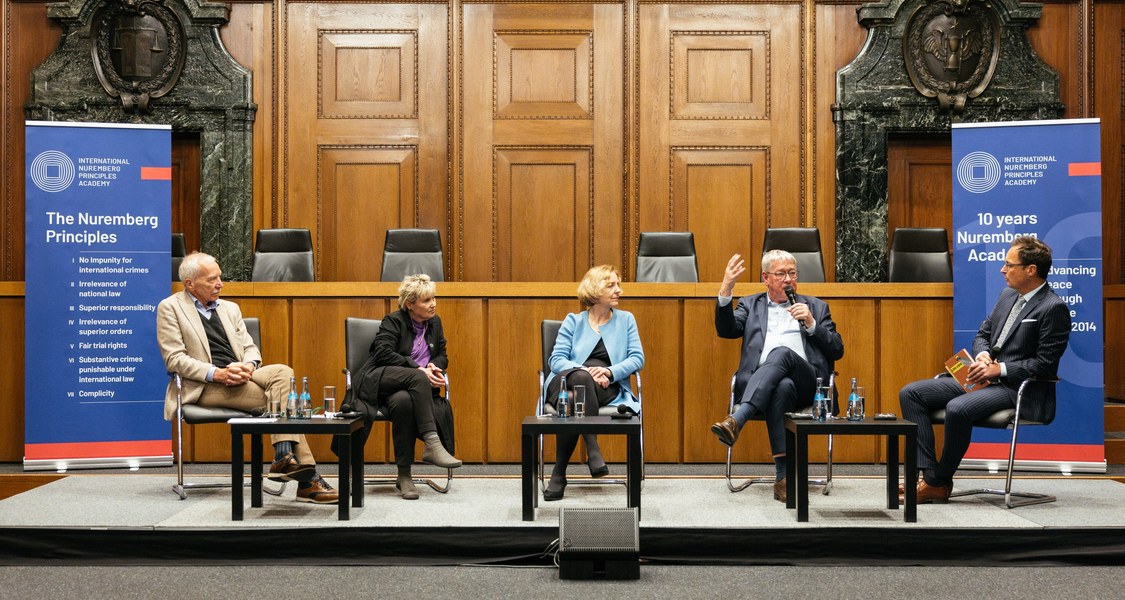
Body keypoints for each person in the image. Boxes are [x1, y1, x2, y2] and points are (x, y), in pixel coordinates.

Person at [899, 236, 1070, 504]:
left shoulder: (1053, 307)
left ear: (1031, 270)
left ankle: (937, 481)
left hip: (1018, 389)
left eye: (1008, 264)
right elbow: (983, 333)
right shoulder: (1007, 295)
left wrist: (998, 369)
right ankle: (929, 475)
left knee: (958, 407)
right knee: (911, 393)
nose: (1003, 270)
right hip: (983, 376)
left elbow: (1044, 364)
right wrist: (983, 354)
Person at [158, 252, 338, 504]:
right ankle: (306, 479)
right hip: (205, 385)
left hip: (242, 374)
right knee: (281, 402)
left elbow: (250, 347)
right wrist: (217, 373)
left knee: (283, 372)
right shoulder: (170, 308)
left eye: (220, 277)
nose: (220, 283)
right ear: (190, 284)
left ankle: (283, 455)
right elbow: (174, 359)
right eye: (212, 279)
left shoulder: (230, 308)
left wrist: (248, 365)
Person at [709, 250, 844, 502]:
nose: (788, 279)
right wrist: (726, 288)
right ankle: (783, 478)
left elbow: (837, 349)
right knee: (781, 386)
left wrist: (813, 325)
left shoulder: (816, 306)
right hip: (769, 386)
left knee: (782, 352)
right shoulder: (750, 304)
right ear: (766, 278)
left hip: (810, 385)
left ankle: (738, 418)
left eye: (792, 273)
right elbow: (726, 330)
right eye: (781, 274)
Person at [350, 274, 461, 500]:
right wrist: (417, 369)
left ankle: (404, 476)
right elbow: (382, 353)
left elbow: (442, 354)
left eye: (434, 298)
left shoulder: (435, 322)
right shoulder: (393, 321)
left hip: (409, 392)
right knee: (417, 378)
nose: (433, 304)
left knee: (404, 402)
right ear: (410, 304)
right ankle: (432, 443)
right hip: (379, 379)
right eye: (426, 300)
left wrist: (433, 365)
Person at [543, 265, 645, 501]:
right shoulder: (573, 321)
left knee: (570, 401)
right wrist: (586, 371)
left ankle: (558, 474)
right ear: (595, 290)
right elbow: (556, 360)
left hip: (605, 387)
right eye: (611, 285)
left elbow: (637, 358)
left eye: (618, 284)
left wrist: (609, 372)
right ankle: (592, 447)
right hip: (563, 381)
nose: (618, 290)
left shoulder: (626, 320)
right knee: (579, 380)